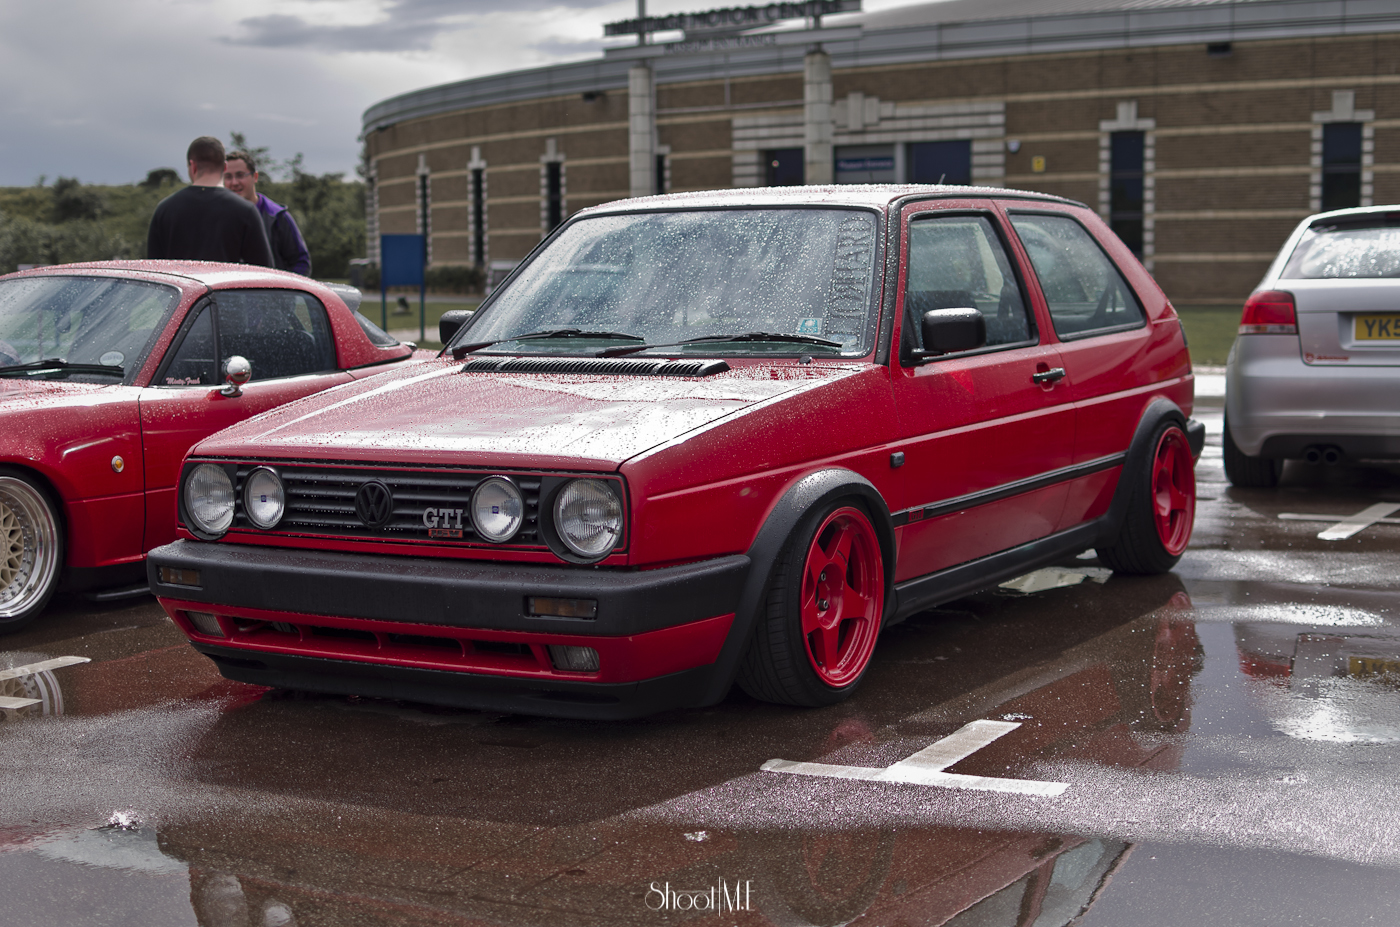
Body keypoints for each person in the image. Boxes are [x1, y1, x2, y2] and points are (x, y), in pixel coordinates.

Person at [147, 137, 274, 266]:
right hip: (226, 286)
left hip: (179, 286)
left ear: (193, 166)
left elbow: (153, 269)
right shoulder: (246, 211)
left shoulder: (164, 209)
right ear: (224, 167)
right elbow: (265, 271)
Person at [223, 150, 313, 276]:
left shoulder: (277, 217)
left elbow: (301, 263)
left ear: (255, 177)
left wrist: (283, 292)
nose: (234, 182)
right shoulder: (218, 219)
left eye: (240, 175)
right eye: (228, 177)